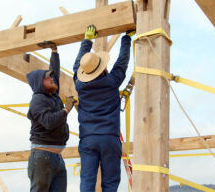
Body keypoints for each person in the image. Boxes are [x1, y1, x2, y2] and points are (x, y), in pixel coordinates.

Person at [73, 25, 135, 192]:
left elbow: (76, 66)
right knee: (110, 182)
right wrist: (126, 39)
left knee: (87, 181)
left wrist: (86, 40)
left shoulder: (80, 85)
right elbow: (122, 62)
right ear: (103, 67)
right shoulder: (112, 81)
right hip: (109, 138)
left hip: (88, 140)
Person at [26, 41, 76, 192]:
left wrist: (54, 51)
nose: (52, 79)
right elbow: (48, 122)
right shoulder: (38, 100)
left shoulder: (52, 96)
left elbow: (55, 72)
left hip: (56, 158)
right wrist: (66, 110)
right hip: (42, 157)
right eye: (48, 78)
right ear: (40, 83)